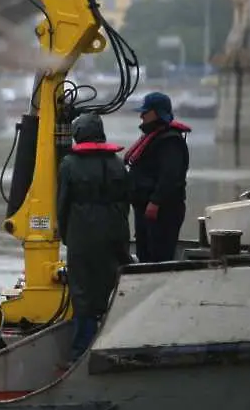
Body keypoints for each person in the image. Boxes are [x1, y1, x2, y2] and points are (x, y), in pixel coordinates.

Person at [57, 113, 131, 363]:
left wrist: (67, 236)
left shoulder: (69, 164)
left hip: (82, 232)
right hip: (114, 230)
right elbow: (126, 201)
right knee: (110, 286)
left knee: (82, 292)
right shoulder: (117, 163)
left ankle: (80, 351)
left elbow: (63, 204)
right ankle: (114, 340)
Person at [124, 92, 191, 263]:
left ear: (157, 113)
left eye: (146, 112)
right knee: (145, 256)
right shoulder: (153, 137)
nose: (141, 115)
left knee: (159, 258)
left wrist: (155, 201)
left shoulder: (170, 141)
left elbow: (170, 176)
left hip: (162, 211)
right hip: (145, 209)